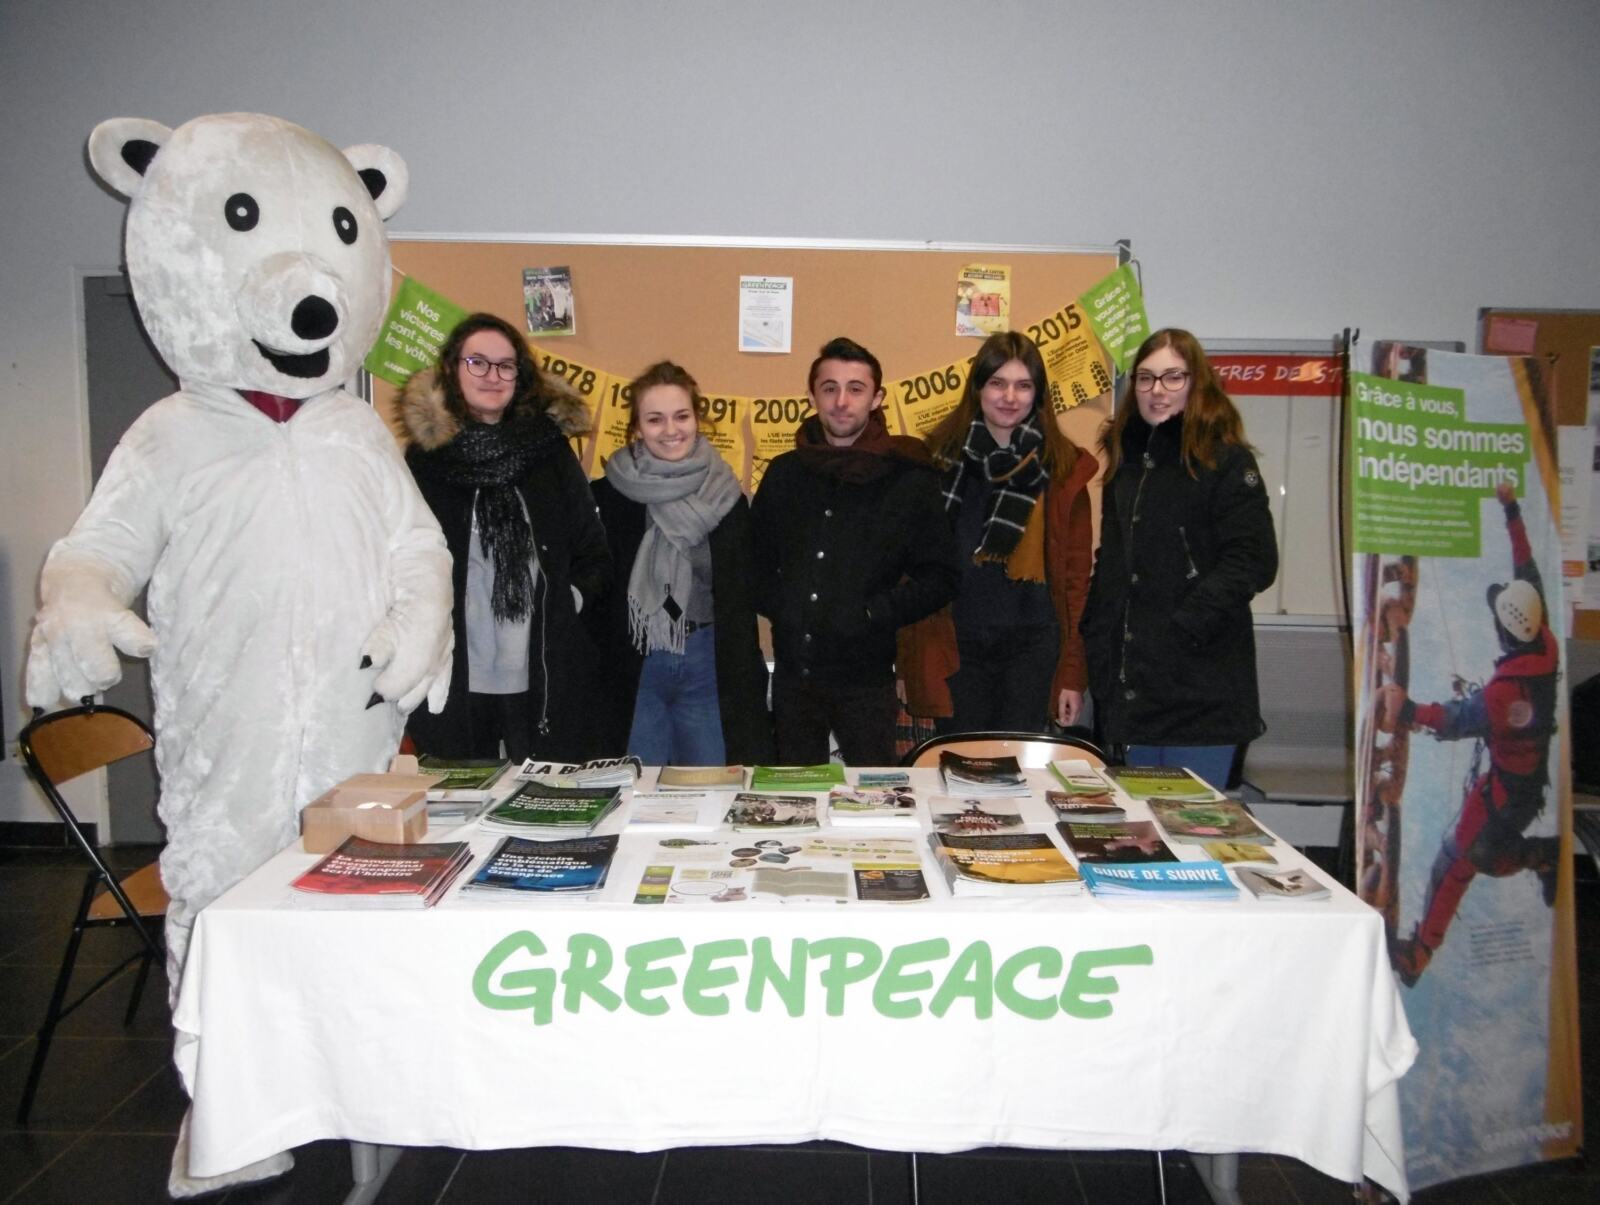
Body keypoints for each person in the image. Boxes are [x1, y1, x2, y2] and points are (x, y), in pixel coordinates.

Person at [399, 312, 611, 762]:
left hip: (540, 666)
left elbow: (593, 551)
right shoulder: (425, 461)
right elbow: (401, 555)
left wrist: (565, 602)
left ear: (520, 375)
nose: (492, 376)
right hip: (456, 666)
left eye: (505, 365)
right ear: (454, 368)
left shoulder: (549, 452)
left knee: (543, 796)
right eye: (478, 362)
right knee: (458, 800)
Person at [1379, 481, 1560, 988]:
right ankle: (1539, 855)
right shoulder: (1544, 640)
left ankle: (1421, 952)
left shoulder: (1506, 694)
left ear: (1506, 632)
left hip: (1506, 795)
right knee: (1472, 856)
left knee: (1462, 860)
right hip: (1518, 788)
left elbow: (1459, 719)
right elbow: (1525, 566)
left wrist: (1409, 708)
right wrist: (1511, 508)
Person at [1081, 328, 1278, 786]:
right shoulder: (1125, 463)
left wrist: (1184, 625)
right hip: (1134, 695)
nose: (1157, 391)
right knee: (1143, 838)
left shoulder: (1226, 461)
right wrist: (1094, 638)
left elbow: (1253, 560)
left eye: (1172, 377)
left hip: (1202, 690)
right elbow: (1110, 564)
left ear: (1197, 383)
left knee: (1194, 839)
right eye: (1146, 379)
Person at [751, 336, 961, 765]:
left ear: (877, 398)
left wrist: (874, 613)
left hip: (866, 684)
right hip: (794, 679)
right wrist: (785, 607)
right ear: (811, 397)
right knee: (795, 807)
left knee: (873, 807)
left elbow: (941, 576)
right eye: (829, 388)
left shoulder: (909, 478)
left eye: (856, 389)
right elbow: (752, 563)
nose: (841, 401)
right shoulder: (784, 474)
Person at [592, 360, 774, 764]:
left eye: (681, 416)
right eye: (655, 419)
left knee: (709, 793)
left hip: (707, 663)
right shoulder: (608, 496)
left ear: (698, 418)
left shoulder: (727, 497)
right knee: (638, 794)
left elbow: (742, 593)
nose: (671, 430)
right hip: (636, 666)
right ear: (637, 427)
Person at [917, 331, 1096, 733]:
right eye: (997, 383)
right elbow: (914, 566)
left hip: (1033, 647)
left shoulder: (1064, 469)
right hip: (956, 643)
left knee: (1020, 775)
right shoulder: (939, 460)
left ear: (1038, 394)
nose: (1009, 397)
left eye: (1023, 385)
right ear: (978, 388)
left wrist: (1072, 674)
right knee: (959, 769)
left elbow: (1075, 584)